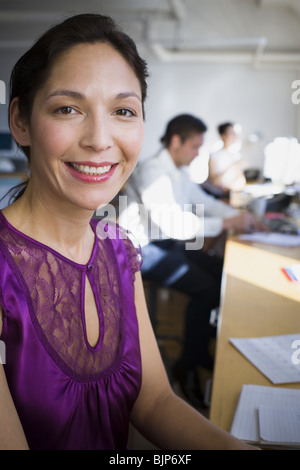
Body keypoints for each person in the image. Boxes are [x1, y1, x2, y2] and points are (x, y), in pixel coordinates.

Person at [0, 14, 258, 450]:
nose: (100, 139)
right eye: (68, 108)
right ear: (21, 121)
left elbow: (154, 402)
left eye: (123, 111)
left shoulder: (118, 248)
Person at [119, 114, 267, 407]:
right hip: (141, 250)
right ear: (176, 141)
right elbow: (172, 224)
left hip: (166, 243)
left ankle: (201, 346)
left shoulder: (177, 171)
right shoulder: (152, 172)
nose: (198, 153)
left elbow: (204, 202)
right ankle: (187, 364)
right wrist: (227, 224)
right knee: (208, 289)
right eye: (195, 147)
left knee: (222, 271)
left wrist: (242, 218)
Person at [207, 122, 248, 195]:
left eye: (235, 133)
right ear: (223, 136)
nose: (235, 136)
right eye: (232, 133)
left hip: (228, 194)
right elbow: (215, 182)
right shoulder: (214, 156)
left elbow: (241, 181)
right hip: (212, 194)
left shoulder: (235, 156)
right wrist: (233, 166)